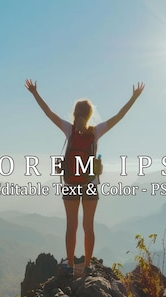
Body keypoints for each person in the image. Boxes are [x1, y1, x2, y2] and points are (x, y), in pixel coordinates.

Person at [25, 79, 145, 277]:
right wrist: (134, 97)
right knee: (88, 226)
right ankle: (88, 265)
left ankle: (70, 265)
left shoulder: (68, 130)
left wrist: (35, 93)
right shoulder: (95, 132)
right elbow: (119, 116)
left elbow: (48, 113)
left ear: (74, 113)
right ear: (89, 114)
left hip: (71, 182)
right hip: (90, 183)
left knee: (71, 226)